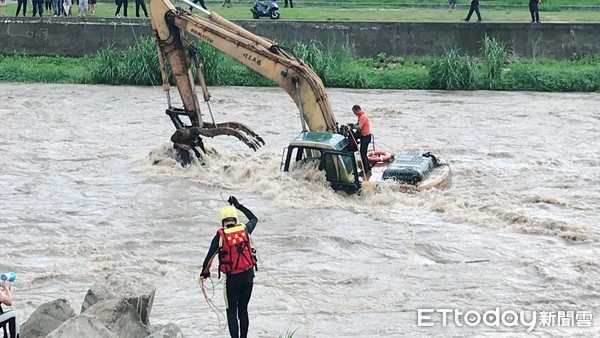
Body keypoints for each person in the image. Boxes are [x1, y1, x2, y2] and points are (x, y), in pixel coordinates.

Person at [200, 196, 258, 338]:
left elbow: (209, 259)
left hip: (232, 279)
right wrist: (239, 206)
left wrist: (204, 273)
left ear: (223, 221)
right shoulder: (244, 230)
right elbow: (254, 218)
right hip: (248, 276)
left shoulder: (220, 236)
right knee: (243, 309)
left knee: (231, 310)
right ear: (235, 220)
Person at [350, 104, 372, 175]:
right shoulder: (360, 116)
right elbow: (358, 124)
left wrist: (353, 126)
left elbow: (359, 127)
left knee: (363, 154)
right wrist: (353, 125)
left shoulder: (363, 116)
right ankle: (368, 167)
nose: (354, 114)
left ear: (358, 110)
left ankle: (365, 171)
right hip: (365, 136)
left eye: (354, 112)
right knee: (364, 153)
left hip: (366, 137)